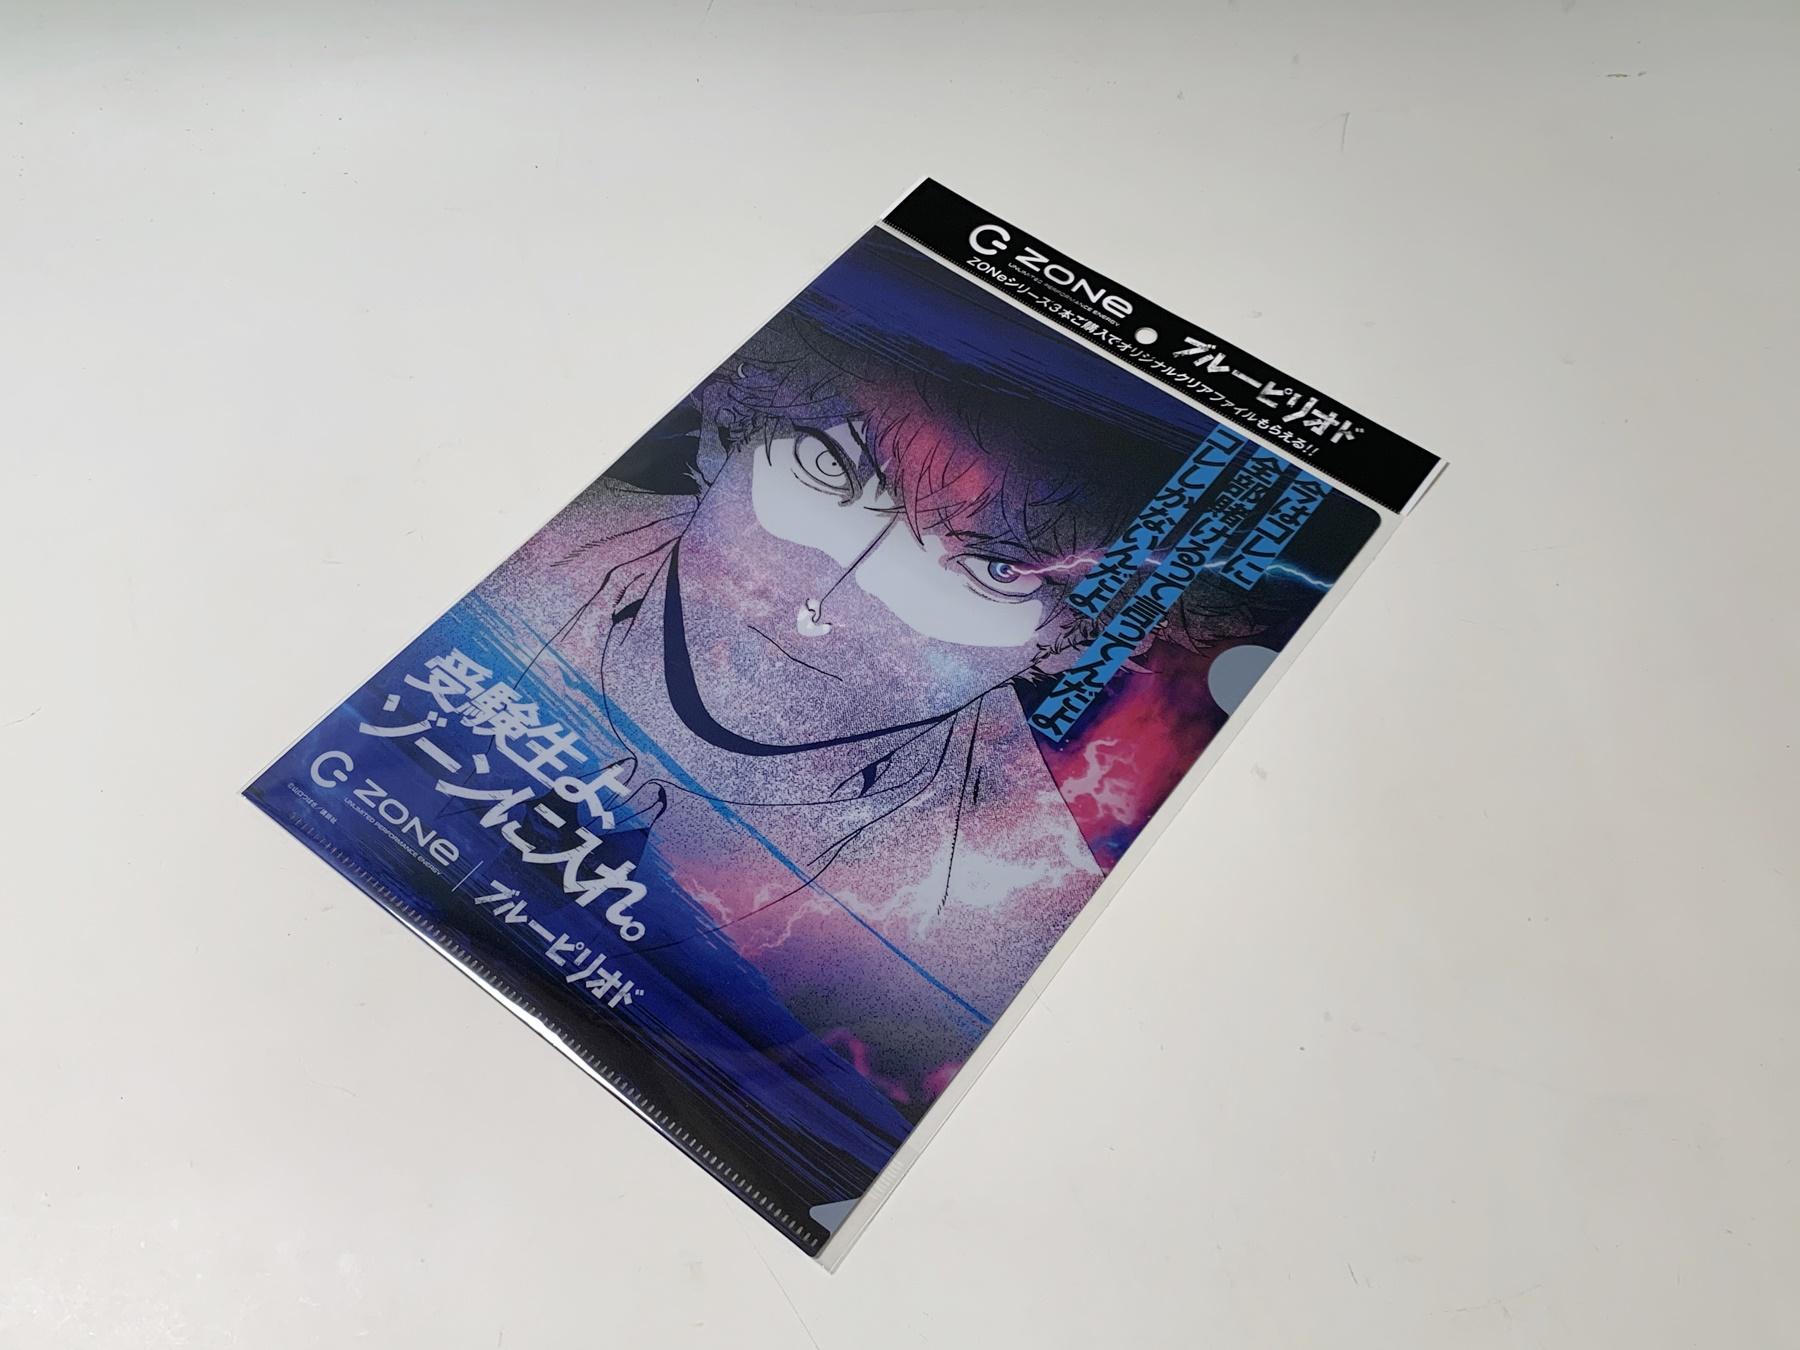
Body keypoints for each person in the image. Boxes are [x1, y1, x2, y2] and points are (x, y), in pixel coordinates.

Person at [480, 231, 1256, 1111]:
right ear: (731, 436)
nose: (822, 606)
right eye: (829, 467)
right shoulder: (499, 558)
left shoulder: (996, 949)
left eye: (994, 569)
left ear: (1066, 641)